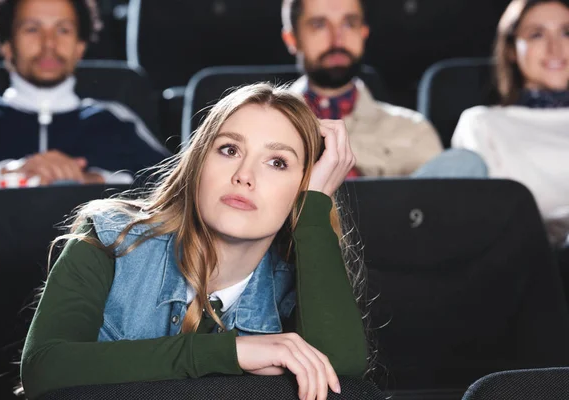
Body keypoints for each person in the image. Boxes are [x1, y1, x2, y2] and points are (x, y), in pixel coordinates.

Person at [20, 83, 372, 400]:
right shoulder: (109, 236)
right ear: (199, 162)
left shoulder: (296, 277)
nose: (244, 176)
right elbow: (44, 368)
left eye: (277, 162)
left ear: (302, 187)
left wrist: (313, 209)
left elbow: (342, 381)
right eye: (230, 150)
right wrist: (229, 352)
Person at [0, 0, 169, 193]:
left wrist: (97, 181)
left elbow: (174, 186)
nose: (49, 44)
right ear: (7, 45)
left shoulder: (115, 121)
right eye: (32, 29)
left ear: (80, 47)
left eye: (63, 30)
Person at [280, 0, 446, 178]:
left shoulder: (414, 131)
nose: (337, 38)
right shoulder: (265, 127)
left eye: (349, 23)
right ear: (292, 39)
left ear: (363, 32)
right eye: (319, 25)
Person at [452, 0, 569, 246]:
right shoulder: (483, 123)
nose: (556, 48)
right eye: (537, 34)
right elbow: (491, 221)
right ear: (511, 49)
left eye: (567, 32)